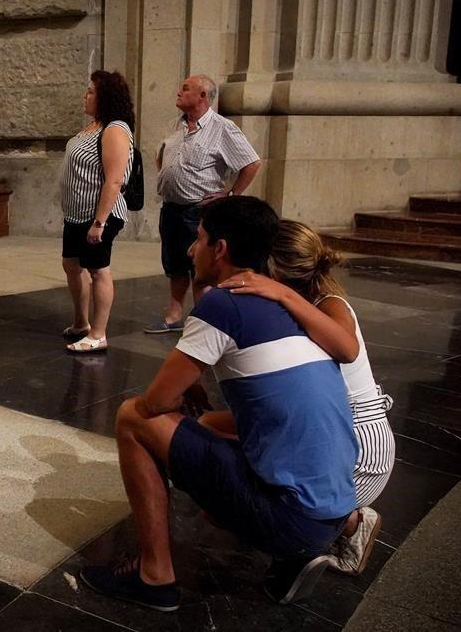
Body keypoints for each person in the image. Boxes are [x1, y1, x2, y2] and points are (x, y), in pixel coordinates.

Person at [80, 196, 358, 612]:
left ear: (221, 249)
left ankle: (155, 577)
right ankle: (294, 551)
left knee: (133, 417)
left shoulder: (224, 304)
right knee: (206, 425)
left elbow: (156, 403)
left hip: (292, 520)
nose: (192, 249)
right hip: (335, 510)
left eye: (200, 238)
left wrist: (176, 391)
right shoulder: (285, 303)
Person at [215, 220, 395, 576]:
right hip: (331, 436)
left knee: (234, 492)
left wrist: (283, 295)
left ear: (271, 271)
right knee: (211, 427)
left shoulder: (329, 304)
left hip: (358, 450)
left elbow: (346, 347)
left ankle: (346, 524)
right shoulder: (294, 307)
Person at [145, 75, 261, 334]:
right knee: (174, 264)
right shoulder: (177, 125)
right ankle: (174, 316)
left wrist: (231, 195)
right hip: (172, 208)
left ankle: (205, 321)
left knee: (201, 269)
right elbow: (163, 156)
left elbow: (251, 163)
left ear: (202, 97)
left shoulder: (222, 128)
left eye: (185, 88)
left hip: (199, 210)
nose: (178, 92)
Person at [60, 71, 133, 353]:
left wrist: (99, 222)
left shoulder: (114, 129)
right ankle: (81, 322)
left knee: (98, 269)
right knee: (71, 264)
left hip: (99, 214)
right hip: (77, 213)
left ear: (105, 98)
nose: (85, 96)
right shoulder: (93, 126)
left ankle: (99, 334)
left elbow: (114, 179)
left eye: (91, 92)